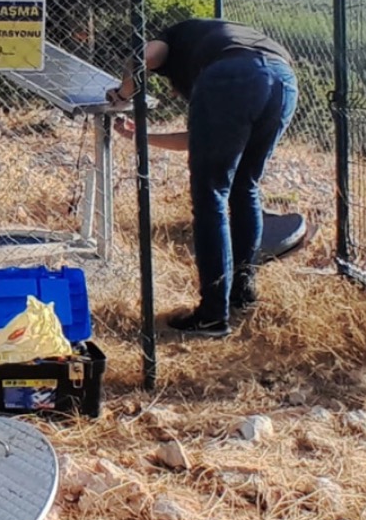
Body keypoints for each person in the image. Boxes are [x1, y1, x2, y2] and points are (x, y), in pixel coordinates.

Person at [107, 18, 298, 336]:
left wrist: (123, 95)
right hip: (283, 80)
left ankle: (211, 315)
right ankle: (241, 292)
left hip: (235, 76)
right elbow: (199, 138)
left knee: (210, 197)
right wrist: (143, 136)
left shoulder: (173, 37)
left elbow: (142, 57)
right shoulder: (216, 39)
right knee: (244, 187)